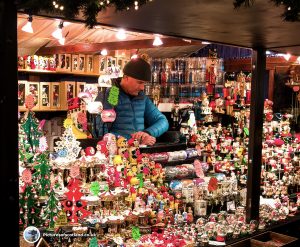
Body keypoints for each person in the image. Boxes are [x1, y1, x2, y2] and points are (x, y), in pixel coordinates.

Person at [94, 56, 169, 146]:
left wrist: (147, 133)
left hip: (138, 152)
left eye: (144, 83)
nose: (142, 87)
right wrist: (133, 142)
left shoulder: (142, 97)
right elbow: (101, 131)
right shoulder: (112, 93)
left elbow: (163, 121)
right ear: (126, 78)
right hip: (117, 154)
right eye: (139, 82)